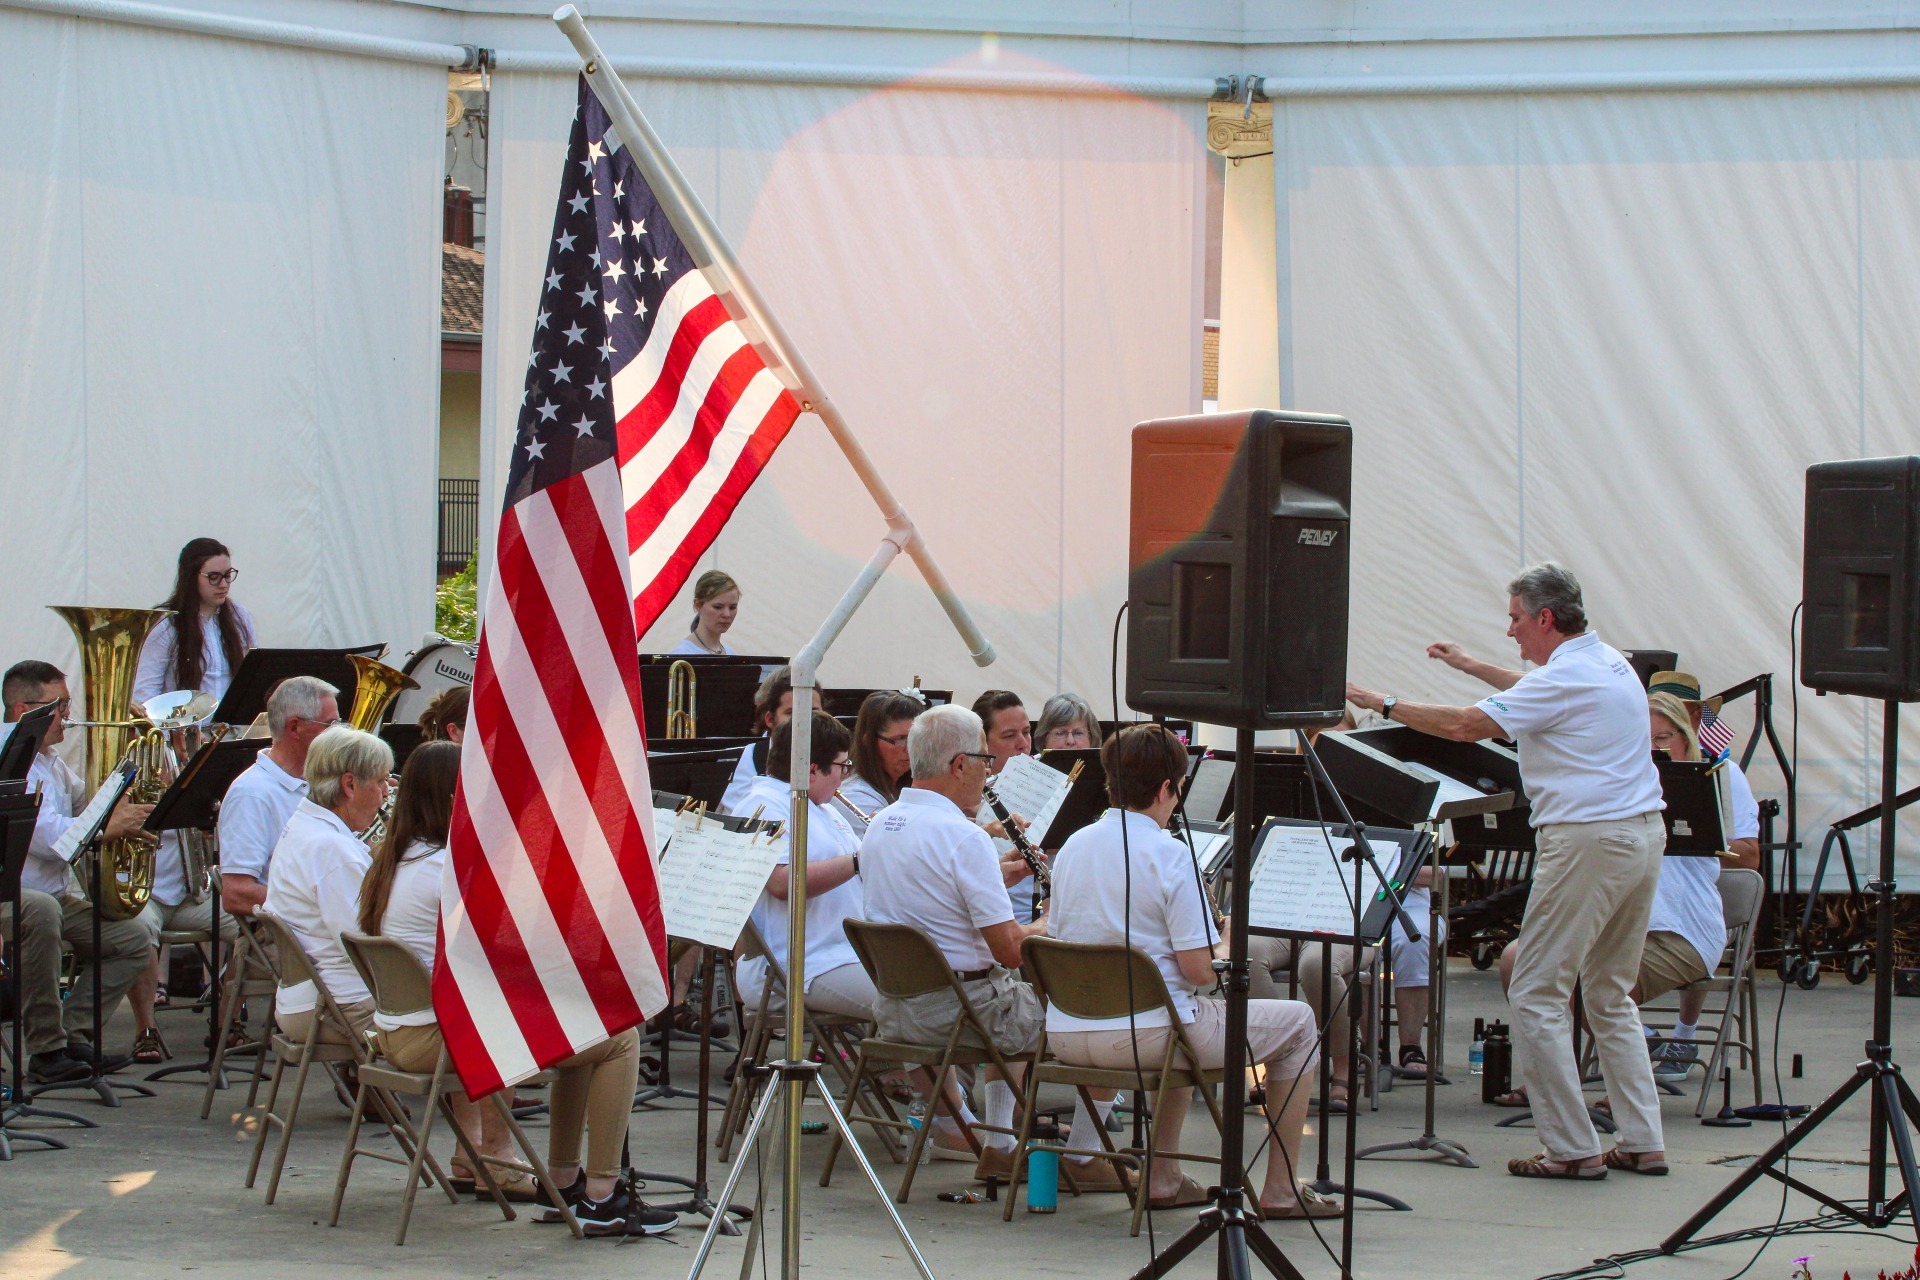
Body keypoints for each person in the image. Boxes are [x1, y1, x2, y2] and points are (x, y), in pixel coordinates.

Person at [1346, 561, 1668, 1180]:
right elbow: (1530, 689)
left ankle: (1572, 1148)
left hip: (1587, 841)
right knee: (1607, 991)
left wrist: (1382, 702)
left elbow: (1470, 724)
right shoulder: (1608, 662)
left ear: (1545, 618)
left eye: (1517, 618)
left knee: (1537, 988)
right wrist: (1468, 666)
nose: (1510, 630)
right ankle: (1641, 1139)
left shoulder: (1566, 679)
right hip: (1638, 836)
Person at [353, 741, 676, 1235]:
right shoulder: (446, 873)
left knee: (582, 1032)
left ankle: (566, 1186)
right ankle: (600, 1195)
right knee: (619, 1037)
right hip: (438, 1039)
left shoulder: (394, 861)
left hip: (399, 1032)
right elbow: (514, 954)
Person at [1047, 725, 1337, 1217]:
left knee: (1187, 1018)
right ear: (1166, 789)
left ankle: (1163, 1176)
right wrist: (1223, 937)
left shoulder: (1074, 844)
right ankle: (1283, 1191)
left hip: (1068, 1028)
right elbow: (1201, 971)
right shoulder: (1170, 854)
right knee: (1298, 1023)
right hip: (1147, 1033)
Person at [858, 704, 1050, 1184]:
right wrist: (1054, 921)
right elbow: (1009, 950)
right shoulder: (965, 838)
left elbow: (932, 901)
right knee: (1060, 1014)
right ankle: (1010, 1144)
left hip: (896, 1010)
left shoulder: (880, 825)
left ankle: (966, 1129)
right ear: (959, 764)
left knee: (1006, 995)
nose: (989, 772)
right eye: (985, 760)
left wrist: (995, 876)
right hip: (961, 1012)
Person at [1, 661, 154, 1078]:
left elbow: (91, 800)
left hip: (48, 895)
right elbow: (51, 841)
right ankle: (47, 1051)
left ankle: (74, 1036)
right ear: (21, 711)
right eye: (58, 706)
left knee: (133, 939)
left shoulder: (49, 760)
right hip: (11, 895)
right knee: (41, 911)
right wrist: (108, 827)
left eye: (67, 704)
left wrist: (135, 763)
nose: (67, 715)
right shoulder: (12, 761)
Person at [1644, 671, 1761, 1076]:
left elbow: (1748, 856)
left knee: (1600, 982)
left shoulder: (1721, 775)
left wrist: (1697, 834)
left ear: (1693, 720)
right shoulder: (1629, 776)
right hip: (1629, 911)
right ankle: (1640, 1040)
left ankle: (1682, 1034)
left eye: (1662, 737)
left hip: (1684, 920)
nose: (1654, 746)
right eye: (1648, 736)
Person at [733, 713, 876, 1020]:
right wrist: (860, 860)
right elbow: (782, 884)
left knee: (928, 994)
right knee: (908, 1006)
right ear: (812, 770)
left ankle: (888, 1070)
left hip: (841, 955)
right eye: (842, 766)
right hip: (798, 964)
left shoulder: (823, 808)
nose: (845, 776)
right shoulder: (762, 805)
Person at [262, 725, 391, 1044]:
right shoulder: (331, 850)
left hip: (310, 998)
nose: (387, 792)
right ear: (349, 784)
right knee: (466, 1018)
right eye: (380, 781)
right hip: (341, 1007)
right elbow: (368, 945)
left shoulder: (303, 826)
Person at [218, 677, 340, 918]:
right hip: (283, 941)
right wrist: (321, 906)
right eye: (330, 725)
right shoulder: (251, 793)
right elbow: (236, 894)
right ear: (294, 727)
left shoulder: (320, 782)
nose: (338, 734)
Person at [132, 537, 256, 705]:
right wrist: (177, 730)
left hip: (231, 730)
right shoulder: (165, 623)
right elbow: (145, 693)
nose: (223, 584)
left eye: (227, 575)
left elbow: (251, 678)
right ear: (191, 577)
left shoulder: (239, 616)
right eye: (213, 577)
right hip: (181, 728)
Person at [970, 690, 1041, 921]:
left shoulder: (1047, 783)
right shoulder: (964, 798)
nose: (1023, 744)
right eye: (1009, 736)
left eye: (1027, 732)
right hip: (997, 917)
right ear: (982, 743)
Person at [719, 665, 821, 814]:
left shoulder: (835, 757)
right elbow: (735, 818)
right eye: (792, 712)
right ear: (770, 718)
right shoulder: (749, 757)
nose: (805, 720)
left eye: (813, 711)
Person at [835, 691, 923, 834]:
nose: (910, 749)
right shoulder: (855, 796)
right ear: (869, 741)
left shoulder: (907, 785)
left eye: (916, 738)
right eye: (900, 739)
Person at [667, 569, 740, 656]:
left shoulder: (730, 654)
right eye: (718, 607)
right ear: (698, 605)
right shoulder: (683, 655)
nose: (727, 614)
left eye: (732, 607)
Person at [1032, 693, 1102, 752]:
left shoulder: (1106, 768)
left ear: (1091, 739)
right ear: (1044, 739)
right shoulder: (1026, 767)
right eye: (1060, 733)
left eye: (1078, 733)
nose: (1070, 741)